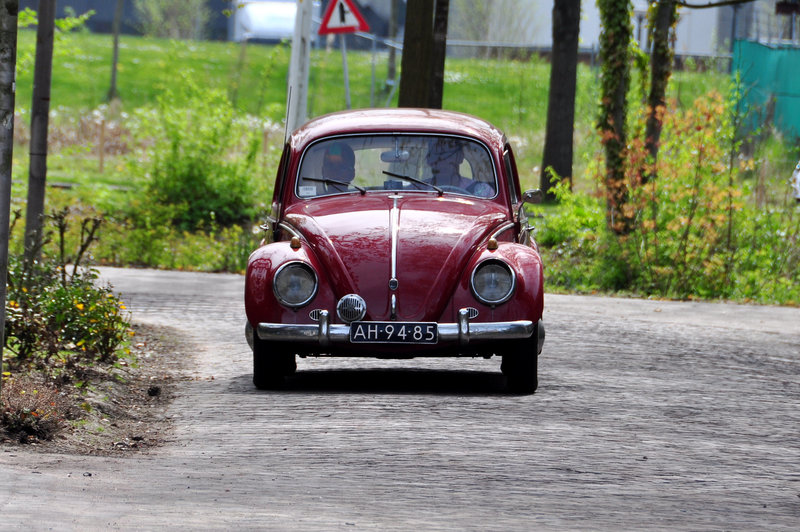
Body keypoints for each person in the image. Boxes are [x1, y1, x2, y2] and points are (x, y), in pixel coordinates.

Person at [425, 138, 494, 197]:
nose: (441, 162)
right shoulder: (418, 188)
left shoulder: (481, 191)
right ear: (428, 160)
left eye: (447, 156)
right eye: (435, 156)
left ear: (460, 157)